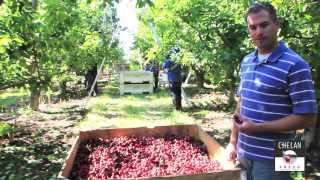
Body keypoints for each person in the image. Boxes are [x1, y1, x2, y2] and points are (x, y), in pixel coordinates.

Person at [227, 2, 317, 180]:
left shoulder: (296, 64)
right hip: (245, 150)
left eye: (264, 25)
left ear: (277, 24)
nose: (258, 32)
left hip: (283, 152)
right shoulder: (246, 61)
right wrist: (232, 142)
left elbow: (309, 117)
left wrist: (258, 128)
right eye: (253, 27)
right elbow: (241, 103)